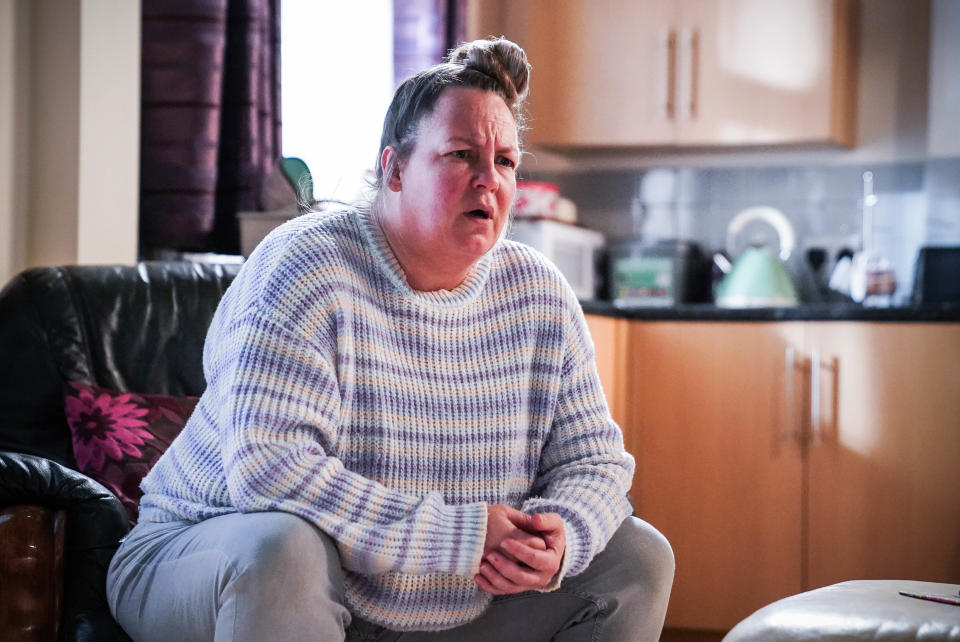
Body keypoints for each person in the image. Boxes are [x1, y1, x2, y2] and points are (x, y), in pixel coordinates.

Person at [106, 37, 674, 641]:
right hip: (209, 561)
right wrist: (462, 535)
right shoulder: (304, 265)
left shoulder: (538, 293)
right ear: (394, 169)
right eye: (461, 154)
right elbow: (270, 470)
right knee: (284, 547)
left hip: (441, 601)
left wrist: (562, 536)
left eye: (506, 161)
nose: (489, 180)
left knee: (636, 558)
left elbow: (595, 462)